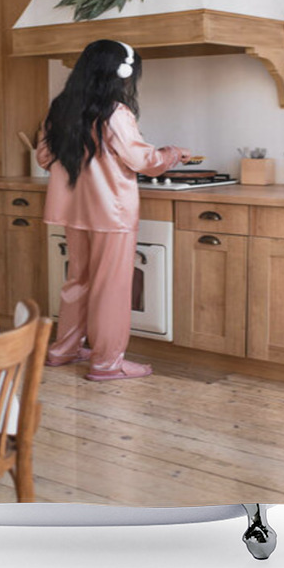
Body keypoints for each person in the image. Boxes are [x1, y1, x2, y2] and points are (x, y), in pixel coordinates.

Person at [35, 39, 190, 381]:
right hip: (112, 213)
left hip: (72, 210)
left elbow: (44, 157)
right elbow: (141, 160)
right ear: (121, 72)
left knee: (78, 281)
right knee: (112, 287)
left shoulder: (61, 107)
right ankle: (107, 363)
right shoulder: (116, 112)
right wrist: (172, 153)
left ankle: (65, 350)